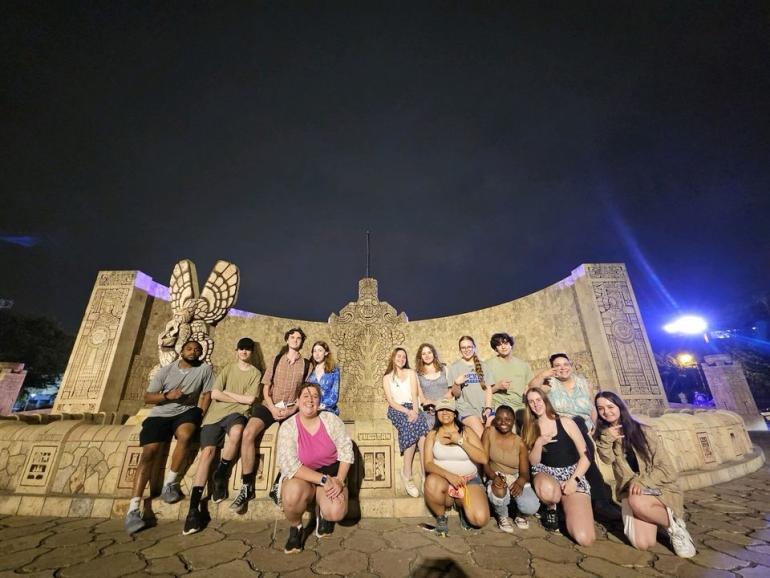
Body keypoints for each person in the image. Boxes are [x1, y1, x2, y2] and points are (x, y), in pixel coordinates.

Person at [124, 340, 213, 534]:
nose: (193, 351)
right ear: (181, 351)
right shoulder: (165, 371)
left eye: (197, 350)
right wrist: (168, 396)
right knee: (149, 453)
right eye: (189, 348)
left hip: (187, 412)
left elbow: (207, 394)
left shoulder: (204, 369)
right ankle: (133, 508)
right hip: (160, 414)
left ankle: (170, 483)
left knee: (186, 435)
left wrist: (200, 414)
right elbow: (148, 397)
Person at [594, 391, 696, 558]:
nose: (606, 411)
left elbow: (667, 468)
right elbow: (607, 459)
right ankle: (657, 515)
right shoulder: (604, 435)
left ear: (619, 406)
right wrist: (607, 437)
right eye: (601, 408)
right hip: (631, 490)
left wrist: (642, 482)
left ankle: (676, 527)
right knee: (642, 543)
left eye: (610, 406)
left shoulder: (644, 431)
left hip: (657, 487)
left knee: (637, 501)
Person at [183, 337, 262, 535]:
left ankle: (221, 472)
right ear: (237, 351)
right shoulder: (227, 368)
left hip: (236, 415)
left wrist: (230, 394)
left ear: (252, 353)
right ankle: (193, 508)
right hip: (215, 415)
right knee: (207, 454)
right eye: (241, 349)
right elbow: (215, 394)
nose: (244, 352)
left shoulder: (255, 373)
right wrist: (237, 398)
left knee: (237, 433)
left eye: (248, 350)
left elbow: (250, 399)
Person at [529, 353, 620, 522]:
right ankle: (600, 500)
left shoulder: (583, 383)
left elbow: (592, 407)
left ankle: (597, 498)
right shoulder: (550, 384)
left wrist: (597, 428)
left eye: (565, 364)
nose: (562, 367)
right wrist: (543, 375)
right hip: (563, 427)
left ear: (571, 365)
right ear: (552, 368)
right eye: (557, 365)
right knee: (578, 427)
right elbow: (531, 389)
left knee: (582, 430)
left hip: (584, 429)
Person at [231, 327, 310, 514]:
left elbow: (304, 392)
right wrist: (273, 407)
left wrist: (292, 409)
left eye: (299, 338)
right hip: (270, 405)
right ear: (287, 339)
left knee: (294, 441)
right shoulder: (276, 360)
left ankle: (277, 484)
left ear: (302, 342)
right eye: (292, 337)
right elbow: (266, 388)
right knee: (248, 433)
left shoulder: (307, 365)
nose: (295, 340)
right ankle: (247, 485)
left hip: (291, 408)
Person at [277, 382, 354, 553]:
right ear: (297, 400)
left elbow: (346, 450)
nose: (310, 400)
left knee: (336, 512)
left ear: (319, 401)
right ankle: (296, 528)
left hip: (332, 474)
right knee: (290, 495)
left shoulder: (330, 420)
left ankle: (322, 512)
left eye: (315, 396)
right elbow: (290, 465)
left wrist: (340, 480)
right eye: (305, 395)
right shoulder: (288, 427)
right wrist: (323, 480)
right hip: (304, 478)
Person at [522, 387, 595, 545]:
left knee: (585, 538)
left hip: (571, 474)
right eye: (531, 402)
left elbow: (586, 456)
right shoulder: (530, 428)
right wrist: (539, 443)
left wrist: (574, 480)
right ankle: (551, 507)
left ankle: (566, 506)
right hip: (545, 473)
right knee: (548, 492)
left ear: (545, 400)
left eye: (538, 400)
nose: (536, 404)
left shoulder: (565, 422)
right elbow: (533, 462)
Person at [423, 398, 490, 536]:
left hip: (468, 481)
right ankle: (441, 517)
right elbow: (428, 464)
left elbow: (483, 458)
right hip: (444, 481)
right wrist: (449, 476)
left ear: (455, 414)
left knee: (480, 520)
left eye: (448, 410)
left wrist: (459, 440)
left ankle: (461, 507)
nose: (445, 412)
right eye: (441, 410)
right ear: (436, 414)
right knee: (431, 482)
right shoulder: (432, 434)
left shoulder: (466, 431)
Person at [481, 405, 540, 532]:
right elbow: (484, 462)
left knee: (531, 506)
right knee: (499, 489)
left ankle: (521, 515)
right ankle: (502, 515)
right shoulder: (489, 432)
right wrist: (493, 476)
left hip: (514, 476)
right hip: (494, 473)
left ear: (513, 421)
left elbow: (524, 472)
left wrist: (520, 481)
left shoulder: (520, 443)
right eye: (500, 418)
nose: (503, 422)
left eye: (508, 419)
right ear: (495, 419)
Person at [383, 347, 429, 497]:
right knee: (409, 426)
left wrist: (415, 411)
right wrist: (407, 411)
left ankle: (424, 476)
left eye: (404, 357)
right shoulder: (387, 377)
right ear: (393, 358)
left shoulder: (411, 373)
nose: (401, 359)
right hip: (397, 409)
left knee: (423, 434)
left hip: (413, 406)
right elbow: (391, 401)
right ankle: (407, 474)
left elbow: (415, 395)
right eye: (398, 356)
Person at [447, 336, 492, 439]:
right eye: (463, 348)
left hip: (484, 408)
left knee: (492, 437)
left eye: (469, 347)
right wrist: (457, 383)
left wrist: (488, 407)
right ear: (460, 350)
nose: (466, 350)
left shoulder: (483, 365)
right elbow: (455, 394)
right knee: (483, 437)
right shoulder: (455, 367)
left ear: (474, 347)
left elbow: (488, 388)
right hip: (466, 410)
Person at [484, 333, 533, 422]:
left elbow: (530, 387)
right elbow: (481, 392)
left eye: (505, 343)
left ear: (511, 345)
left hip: (520, 407)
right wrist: (497, 387)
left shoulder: (524, 365)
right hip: (499, 407)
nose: (503, 347)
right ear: (495, 349)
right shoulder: (487, 365)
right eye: (499, 345)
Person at [414, 343, 452, 429]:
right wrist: (429, 405)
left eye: (429, 352)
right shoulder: (417, 374)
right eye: (424, 354)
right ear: (420, 357)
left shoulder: (444, 369)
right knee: (430, 423)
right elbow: (421, 396)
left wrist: (437, 403)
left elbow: (451, 392)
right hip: (428, 409)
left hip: (445, 405)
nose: (427, 356)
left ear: (434, 354)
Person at [306, 341, 340, 415]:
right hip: (311, 410)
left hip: (328, 410)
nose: (317, 354)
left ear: (326, 353)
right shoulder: (310, 370)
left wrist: (322, 406)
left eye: (320, 350)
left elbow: (334, 394)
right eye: (314, 351)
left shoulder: (334, 370)